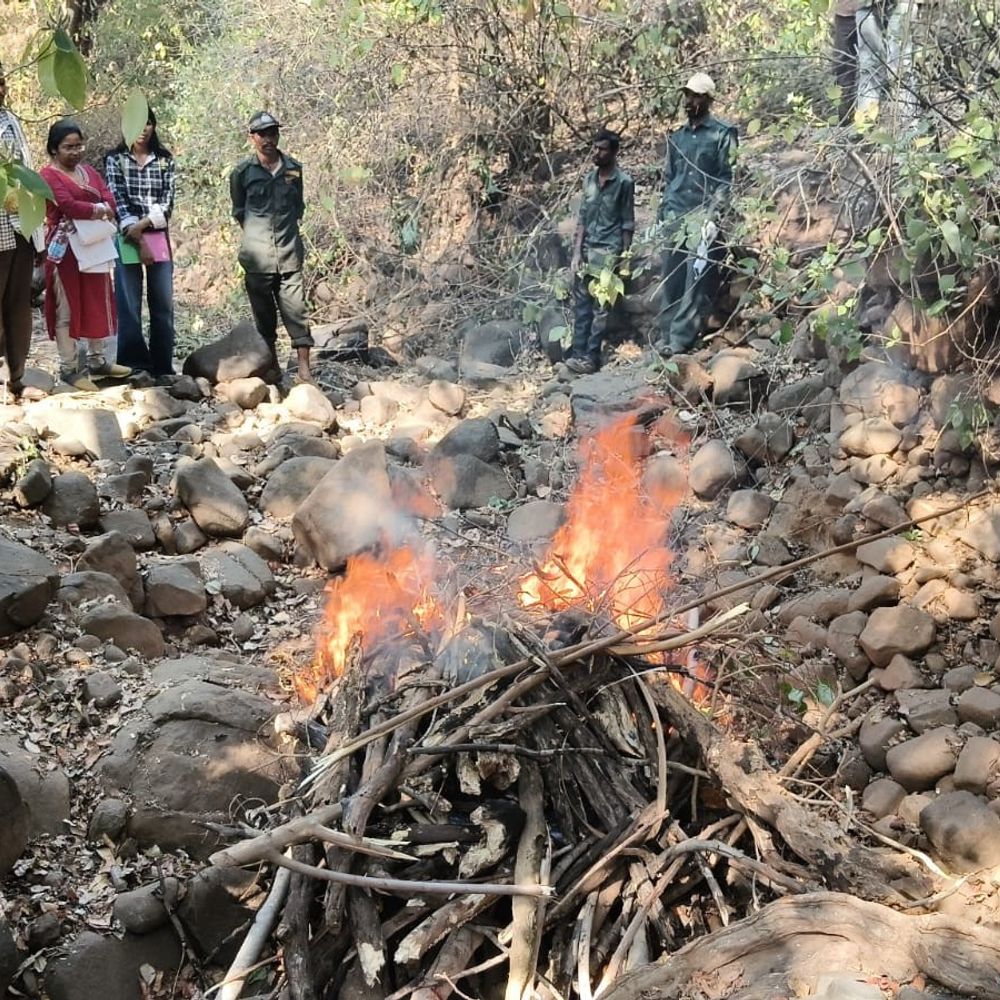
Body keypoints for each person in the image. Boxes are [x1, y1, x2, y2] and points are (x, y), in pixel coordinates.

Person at [40, 120, 131, 391]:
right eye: (69, 147)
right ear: (54, 149)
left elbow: (110, 199)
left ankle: (98, 360)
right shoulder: (48, 175)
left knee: (96, 299)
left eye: (79, 145)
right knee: (67, 306)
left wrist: (99, 208)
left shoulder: (89, 171)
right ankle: (69, 368)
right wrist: (100, 209)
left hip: (94, 245)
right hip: (65, 248)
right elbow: (66, 205)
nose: (76, 151)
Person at [654, 72, 737, 357]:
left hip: (702, 216)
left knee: (695, 275)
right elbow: (670, 178)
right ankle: (667, 335)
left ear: (708, 99)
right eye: (687, 95)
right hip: (675, 214)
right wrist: (661, 215)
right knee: (671, 275)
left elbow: (726, 178)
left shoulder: (723, 134)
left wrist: (714, 217)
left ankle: (680, 338)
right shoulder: (677, 137)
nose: (689, 101)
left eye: (695, 96)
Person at [229, 111, 314, 384]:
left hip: (289, 256)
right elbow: (239, 211)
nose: (268, 139)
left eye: (272, 133)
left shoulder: (293, 169)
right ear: (251, 138)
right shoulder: (242, 173)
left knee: (297, 313)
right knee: (264, 320)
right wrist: (258, 237)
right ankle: (273, 369)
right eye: (261, 134)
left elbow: (298, 208)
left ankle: (304, 372)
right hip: (257, 259)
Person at [105, 108, 176, 382]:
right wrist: (133, 229)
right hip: (126, 236)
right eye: (138, 122)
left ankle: (162, 365)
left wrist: (142, 225)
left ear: (154, 127)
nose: (143, 129)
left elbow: (166, 204)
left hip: (156, 233)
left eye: (148, 123)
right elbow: (117, 198)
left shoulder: (164, 161)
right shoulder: (115, 159)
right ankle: (134, 363)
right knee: (128, 302)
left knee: (162, 302)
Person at [565, 127, 635, 375]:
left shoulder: (624, 182)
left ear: (614, 152)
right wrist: (576, 253)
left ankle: (591, 358)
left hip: (608, 250)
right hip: (588, 249)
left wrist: (625, 257)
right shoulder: (589, 180)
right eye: (594, 147)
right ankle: (577, 352)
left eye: (602, 149)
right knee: (581, 305)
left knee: (600, 308)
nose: (596, 152)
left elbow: (627, 221)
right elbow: (582, 218)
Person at [0, 64, 46, 401]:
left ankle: (16, 378)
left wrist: (37, 232)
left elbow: (26, 173)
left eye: (1, 81)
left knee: (17, 305)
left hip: (19, 226)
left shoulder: (10, 120)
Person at [832, 0, 860, 125]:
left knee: (873, 64)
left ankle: (870, 122)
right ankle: (845, 121)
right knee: (843, 68)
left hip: (875, 11)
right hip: (844, 13)